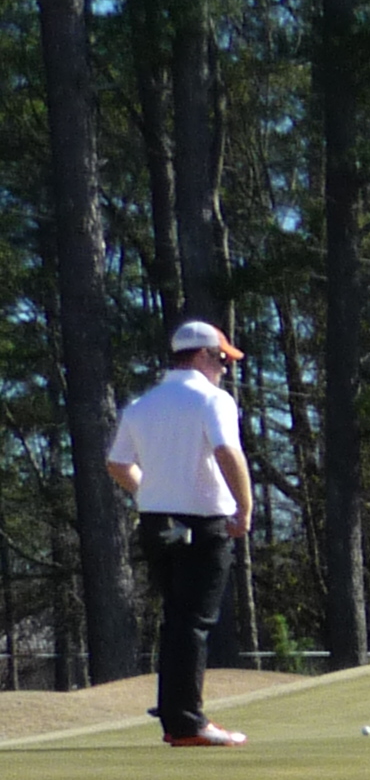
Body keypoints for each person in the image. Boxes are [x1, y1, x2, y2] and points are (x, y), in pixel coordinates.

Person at [106, 318, 257, 747]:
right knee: (193, 622)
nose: (225, 368)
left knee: (176, 618)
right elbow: (227, 452)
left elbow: (117, 463)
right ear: (204, 355)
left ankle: (176, 715)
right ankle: (187, 722)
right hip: (202, 522)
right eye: (222, 359)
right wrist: (244, 508)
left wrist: (149, 491)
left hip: (156, 521)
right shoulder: (212, 399)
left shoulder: (141, 406)